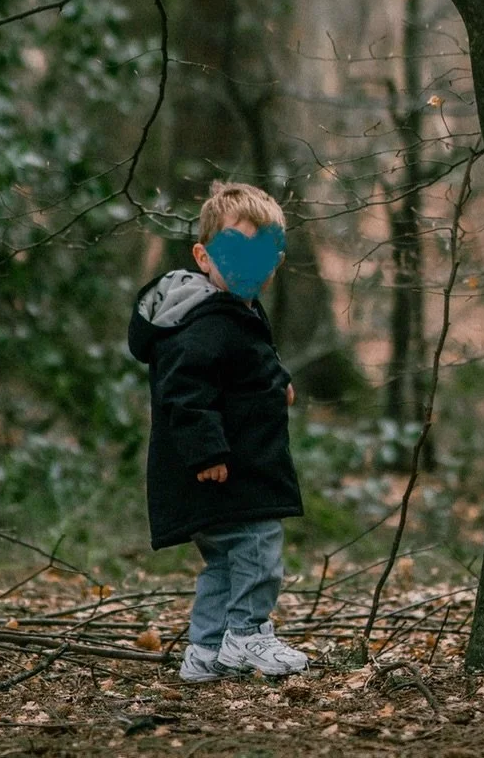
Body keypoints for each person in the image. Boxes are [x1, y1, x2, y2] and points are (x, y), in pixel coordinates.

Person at [127, 180, 309, 682]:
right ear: (203, 256)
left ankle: (206, 650)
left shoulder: (234, 310)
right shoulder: (202, 322)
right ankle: (248, 634)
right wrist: (207, 451)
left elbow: (245, 363)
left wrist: (277, 381)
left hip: (236, 466)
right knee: (258, 547)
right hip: (225, 469)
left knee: (226, 564)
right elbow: (184, 392)